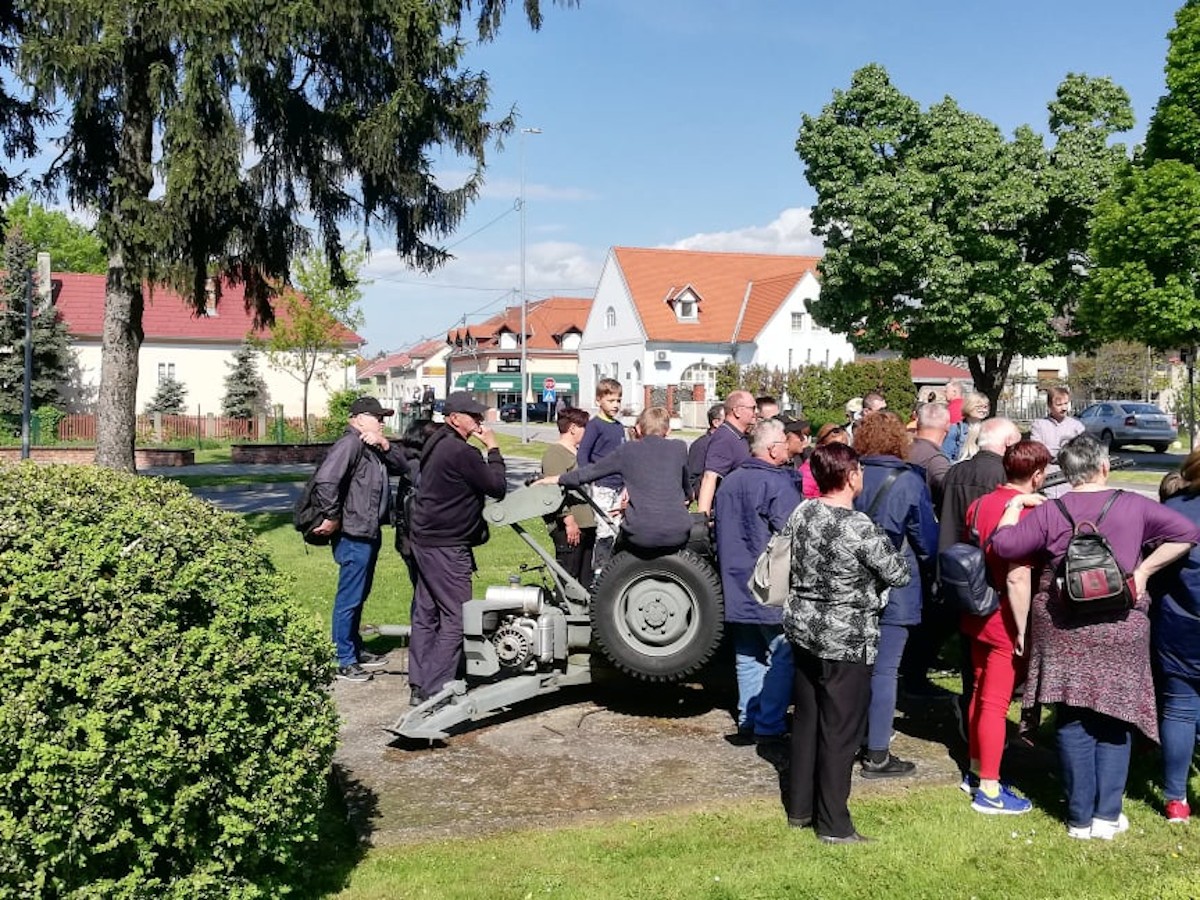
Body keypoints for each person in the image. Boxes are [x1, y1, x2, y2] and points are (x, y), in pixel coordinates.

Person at [991, 434, 1198, 840]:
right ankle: (1107, 815)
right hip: (1122, 627)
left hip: (1063, 627)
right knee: (1115, 719)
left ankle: (1079, 817)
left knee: (1071, 719)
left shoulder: (1052, 511)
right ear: (1104, 467)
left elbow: (1004, 544)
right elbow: (1187, 533)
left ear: (1067, 473)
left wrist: (1014, 506)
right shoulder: (1134, 505)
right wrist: (1142, 572)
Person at [783, 443, 911, 843]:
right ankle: (834, 825)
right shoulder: (860, 527)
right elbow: (898, 572)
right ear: (852, 475)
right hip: (847, 639)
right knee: (840, 734)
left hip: (804, 630)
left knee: (807, 722)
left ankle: (800, 809)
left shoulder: (802, 511)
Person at [959, 440, 1051, 815]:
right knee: (996, 705)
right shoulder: (1029, 514)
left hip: (976, 610)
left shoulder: (978, 504)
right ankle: (991, 791)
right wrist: (1024, 628)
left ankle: (977, 770)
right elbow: (1017, 578)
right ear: (1038, 474)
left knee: (980, 694)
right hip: (1004, 616)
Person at [851, 411, 938, 778]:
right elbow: (926, 541)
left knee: (852, 668)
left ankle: (849, 739)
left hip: (851, 581)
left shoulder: (849, 472)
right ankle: (877, 753)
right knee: (885, 671)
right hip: (895, 583)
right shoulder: (909, 481)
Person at [407, 392, 507, 702]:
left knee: (426, 611)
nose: (480, 419)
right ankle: (435, 689)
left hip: (424, 538)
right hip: (447, 543)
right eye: (473, 415)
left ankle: (419, 681)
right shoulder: (462, 452)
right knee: (456, 615)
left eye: (479, 415)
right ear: (453, 418)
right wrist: (493, 448)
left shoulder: (437, 443)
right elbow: (497, 487)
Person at [714, 418, 803, 744]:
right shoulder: (776, 484)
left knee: (748, 654)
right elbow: (794, 533)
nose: (787, 446)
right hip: (770, 585)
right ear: (771, 449)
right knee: (782, 652)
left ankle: (748, 719)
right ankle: (769, 723)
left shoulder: (732, 481)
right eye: (783, 441)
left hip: (735, 581)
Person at [309, 396, 410, 682]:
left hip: (368, 530)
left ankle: (354, 647)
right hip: (353, 533)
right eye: (378, 417)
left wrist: (385, 444)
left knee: (360, 593)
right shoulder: (350, 444)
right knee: (350, 597)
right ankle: (343, 658)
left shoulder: (370, 445)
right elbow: (326, 481)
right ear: (359, 418)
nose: (382, 422)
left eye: (383, 417)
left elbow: (403, 467)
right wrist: (332, 517)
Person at [538, 406, 692, 552]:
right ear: (669, 430)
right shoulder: (679, 448)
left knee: (616, 552)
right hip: (678, 532)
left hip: (640, 534)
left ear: (638, 429)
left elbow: (590, 472)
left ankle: (604, 574)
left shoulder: (628, 451)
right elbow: (687, 489)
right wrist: (688, 496)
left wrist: (557, 479)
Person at [1150, 451, 1200, 824]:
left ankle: (1176, 799)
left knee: (1180, 709)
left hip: (1178, 622)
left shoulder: (1172, 511)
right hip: (1180, 620)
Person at [541, 407, 596, 584]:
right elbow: (552, 490)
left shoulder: (579, 453)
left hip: (587, 524)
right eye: (584, 427)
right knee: (569, 574)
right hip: (569, 528)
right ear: (572, 428)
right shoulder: (555, 453)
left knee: (585, 577)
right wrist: (568, 520)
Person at [578, 378, 626, 577]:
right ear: (599, 400)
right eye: (611, 400)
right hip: (602, 486)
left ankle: (614, 568)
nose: (615, 405)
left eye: (618, 400)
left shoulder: (618, 426)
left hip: (620, 487)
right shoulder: (595, 425)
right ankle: (599, 572)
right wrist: (591, 478)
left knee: (618, 529)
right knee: (605, 530)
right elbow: (583, 455)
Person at [696, 390, 758, 515]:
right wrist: (702, 519)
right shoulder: (724, 438)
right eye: (753, 408)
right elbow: (710, 477)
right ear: (737, 411)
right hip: (729, 514)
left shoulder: (738, 436)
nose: (756, 412)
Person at [1029, 386, 1085, 499]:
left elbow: (1082, 452)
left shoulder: (1077, 427)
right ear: (1049, 406)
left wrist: (1053, 451)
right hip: (1046, 480)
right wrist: (1064, 451)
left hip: (1071, 479)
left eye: (1066, 404)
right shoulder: (1039, 425)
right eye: (1059, 405)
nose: (1064, 408)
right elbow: (1038, 451)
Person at [907, 402, 952, 511]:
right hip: (922, 521)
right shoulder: (936, 461)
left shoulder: (902, 449)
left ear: (918, 424)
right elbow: (951, 495)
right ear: (947, 426)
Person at [687, 403, 726, 502]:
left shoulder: (727, 443)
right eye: (727, 421)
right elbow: (692, 479)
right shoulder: (701, 445)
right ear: (716, 422)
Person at [800, 423, 849, 499]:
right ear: (821, 446)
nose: (841, 452)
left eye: (845, 447)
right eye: (835, 449)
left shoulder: (847, 468)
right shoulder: (809, 471)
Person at [957, 392, 992, 462]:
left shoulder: (988, 430)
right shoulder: (957, 429)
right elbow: (947, 455)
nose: (983, 410)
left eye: (985, 407)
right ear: (969, 406)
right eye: (979, 407)